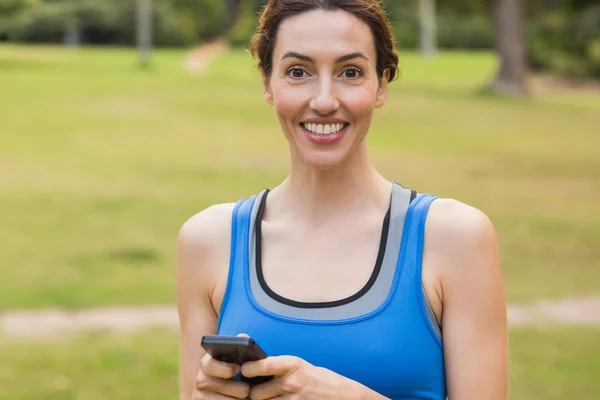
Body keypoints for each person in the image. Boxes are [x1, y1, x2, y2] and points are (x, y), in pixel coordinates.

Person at [176, 0, 508, 399]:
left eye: (350, 72)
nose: (324, 100)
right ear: (267, 83)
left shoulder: (456, 238)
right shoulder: (209, 241)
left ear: (382, 84)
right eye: (298, 72)